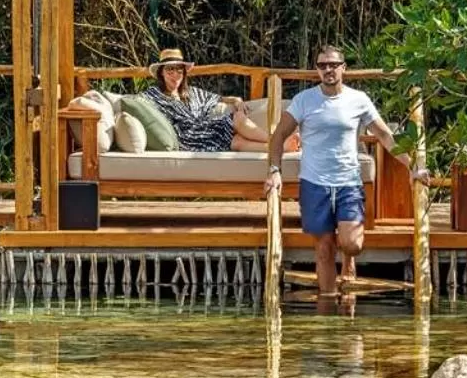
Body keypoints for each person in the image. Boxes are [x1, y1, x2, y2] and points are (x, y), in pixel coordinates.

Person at [264, 46, 428, 298]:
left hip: (348, 182)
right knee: (323, 248)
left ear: (343, 68)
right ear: (317, 70)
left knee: (352, 244)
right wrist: (274, 170)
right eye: (322, 65)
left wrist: (414, 165)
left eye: (333, 64)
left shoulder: (358, 99)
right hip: (314, 183)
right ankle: (328, 307)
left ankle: (349, 258)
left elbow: (384, 135)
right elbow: (278, 137)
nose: (328, 69)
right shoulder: (304, 100)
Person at [141, 47, 269, 152]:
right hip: (186, 139)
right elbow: (133, 102)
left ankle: (280, 148)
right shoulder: (154, 94)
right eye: (170, 69)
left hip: (205, 134)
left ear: (184, 73)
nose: (175, 74)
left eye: (179, 70)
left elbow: (219, 98)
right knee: (238, 118)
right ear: (161, 73)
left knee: (238, 142)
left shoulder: (192, 93)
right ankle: (274, 141)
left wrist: (236, 100)